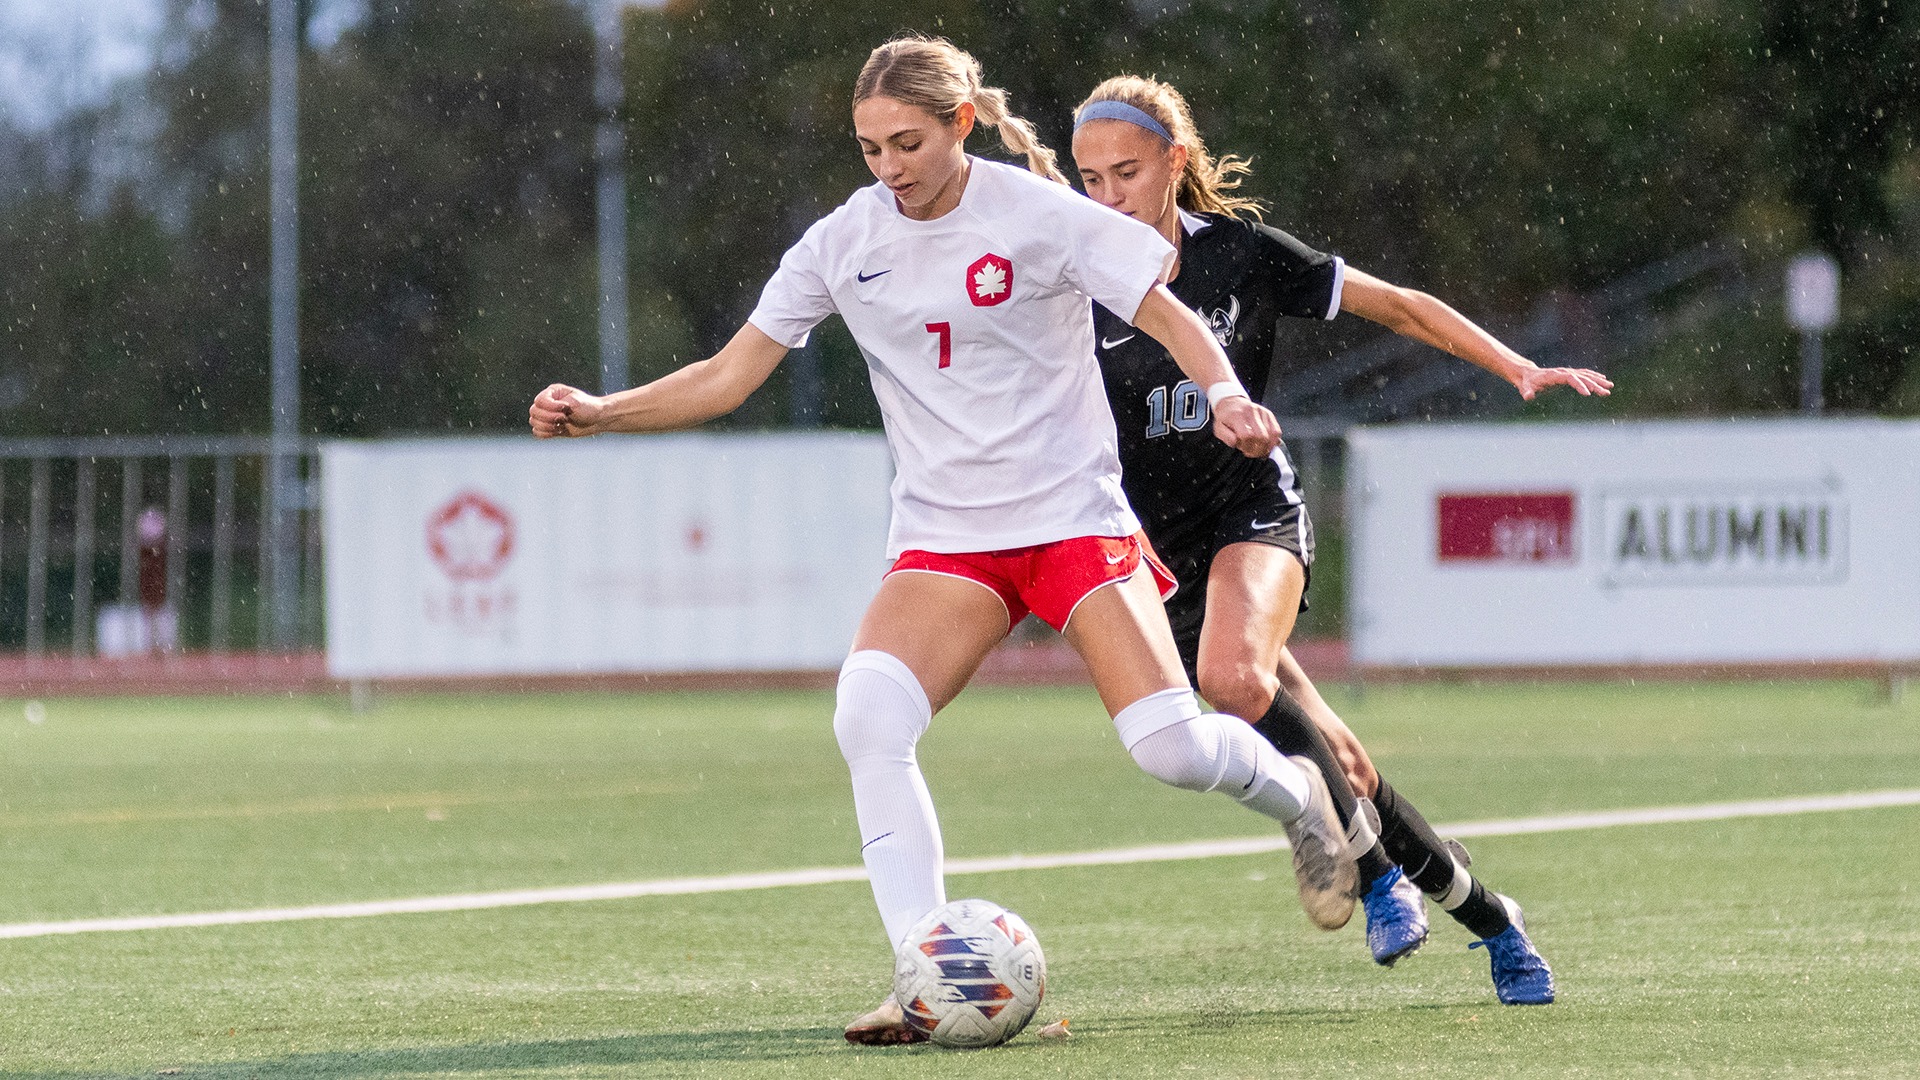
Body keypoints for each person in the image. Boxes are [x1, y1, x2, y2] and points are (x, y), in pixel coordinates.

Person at [530, 36, 1364, 1045]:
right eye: (871, 147)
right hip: (947, 539)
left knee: (1170, 750)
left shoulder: (1039, 215)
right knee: (868, 719)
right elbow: (729, 372)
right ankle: (922, 972)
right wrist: (603, 412)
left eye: (909, 143)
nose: (890, 168)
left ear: (962, 124)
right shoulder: (844, 241)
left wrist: (1226, 395)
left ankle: (1299, 795)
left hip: (1070, 521)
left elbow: (1170, 314)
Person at [1071, 75, 1615, 1006]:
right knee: (1344, 762)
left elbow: (1396, 304)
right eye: (1089, 179)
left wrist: (1514, 366)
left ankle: (1371, 878)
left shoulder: (1239, 255)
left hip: (1255, 517)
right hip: (1157, 558)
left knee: (1233, 682)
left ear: (1176, 161)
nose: (1108, 196)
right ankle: (1494, 920)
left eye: (1127, 171)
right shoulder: (1068, 277)